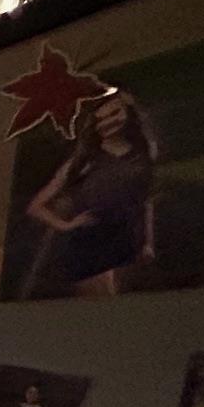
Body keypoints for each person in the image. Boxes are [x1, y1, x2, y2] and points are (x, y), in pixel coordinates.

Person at [23, 91, 158, 297]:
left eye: (114, 113)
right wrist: (66, 225)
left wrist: (148, 242)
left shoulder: (142, 153)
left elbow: (145, 199)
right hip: (90, 247)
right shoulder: (84, 160)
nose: (109, 123)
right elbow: (36, 206)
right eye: (101, 119)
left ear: (127, 112)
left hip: (127, 243)